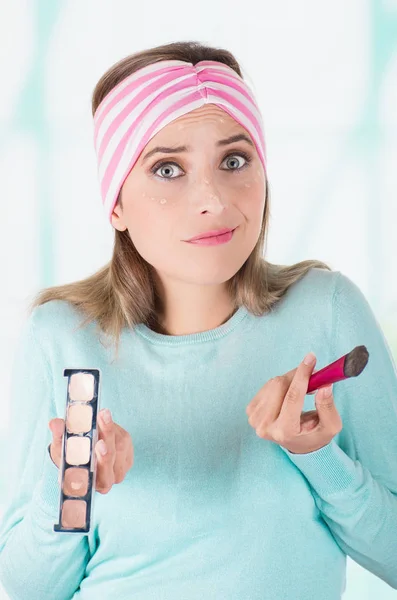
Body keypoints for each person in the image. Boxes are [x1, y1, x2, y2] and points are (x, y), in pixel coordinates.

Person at [0, 40, 396, 600]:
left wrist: (318, 458)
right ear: (115, 204)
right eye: (167, 168)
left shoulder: (325, 309)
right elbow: (31, 588)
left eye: (234, 160)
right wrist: (73, 486)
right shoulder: (62, 337)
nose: (212, 198)